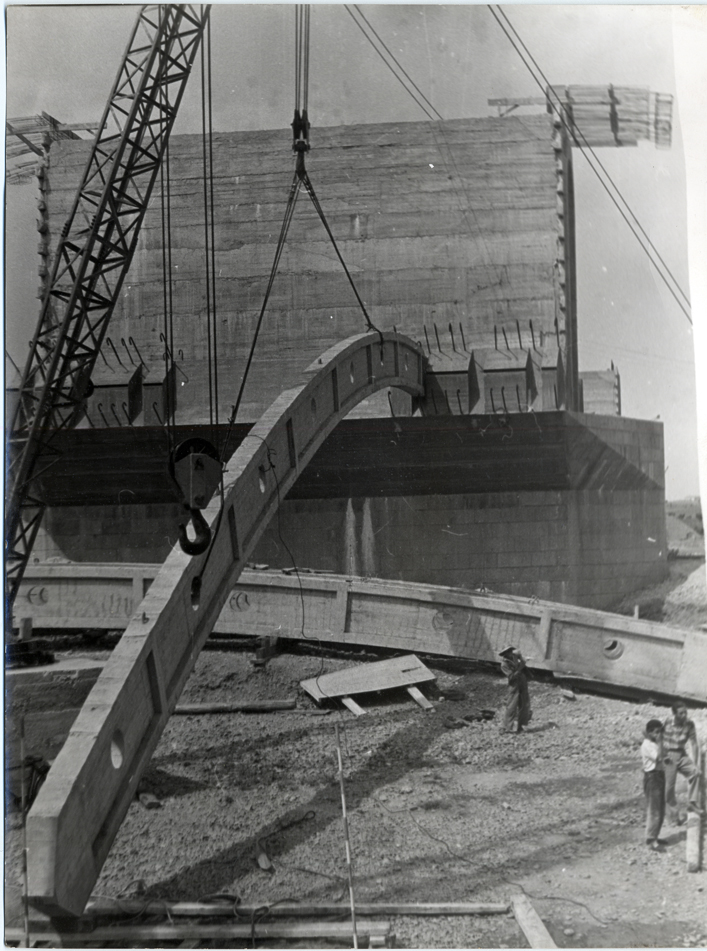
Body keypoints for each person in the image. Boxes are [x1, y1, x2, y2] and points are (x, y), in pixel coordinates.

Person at [663, 701, 702, 824]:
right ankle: (673, 817)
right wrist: (661, 755)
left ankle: (692, 803)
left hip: (681, 753)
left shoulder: (689, 724)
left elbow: (694, 743)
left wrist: (695, 763)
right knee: (669, 787)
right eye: (681, 713)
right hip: (668, 755)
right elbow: (659, 738)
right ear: (674, 714)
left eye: (685, 712)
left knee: (695, 773)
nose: (684, 715)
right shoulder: (668, 722)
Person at [641, 719, 666, 850]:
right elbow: (659, 757)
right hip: (652, 777)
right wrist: (661, 741)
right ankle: (650, 840)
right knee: (654, 809)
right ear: (649, 732)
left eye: (659, 732)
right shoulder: (647, 745)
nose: (658, 735)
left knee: (661, 809)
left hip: (660, 775)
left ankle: (655, 835)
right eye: (656, 732)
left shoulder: (654, 743)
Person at [499, 646, 531, 734]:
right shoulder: (504, 664)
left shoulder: (515, 656)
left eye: (510, 651)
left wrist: (522, 658)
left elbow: (522, 659)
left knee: (524, 704)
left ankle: (522, 726)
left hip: (522, 681)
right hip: (514, 684)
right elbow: (511, 676)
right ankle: (506, 727)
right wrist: (521, 665)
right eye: (507, 652)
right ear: (504, 654)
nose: (510, 653)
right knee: (511, 706)